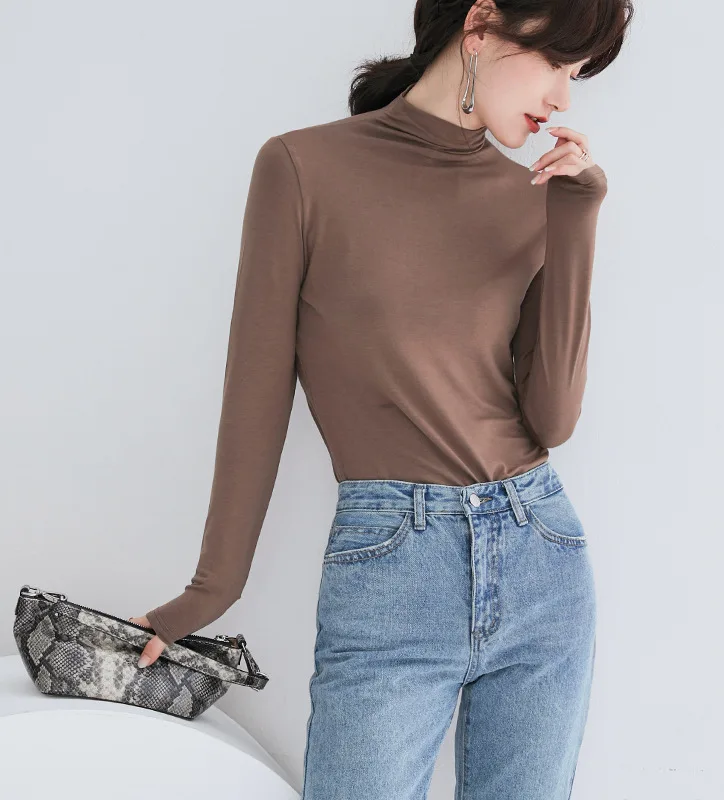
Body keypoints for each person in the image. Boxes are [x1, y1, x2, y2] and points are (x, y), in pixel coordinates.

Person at [130, 0, 633, 796]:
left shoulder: (536, 196)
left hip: (540, 554)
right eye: (557, 64)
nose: (564, 98)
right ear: (481, 23)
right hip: (392, 566)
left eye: (578, 77)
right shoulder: (303, 168)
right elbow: (256, 389)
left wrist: (577, 219)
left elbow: (553, 419)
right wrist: (209, 591)